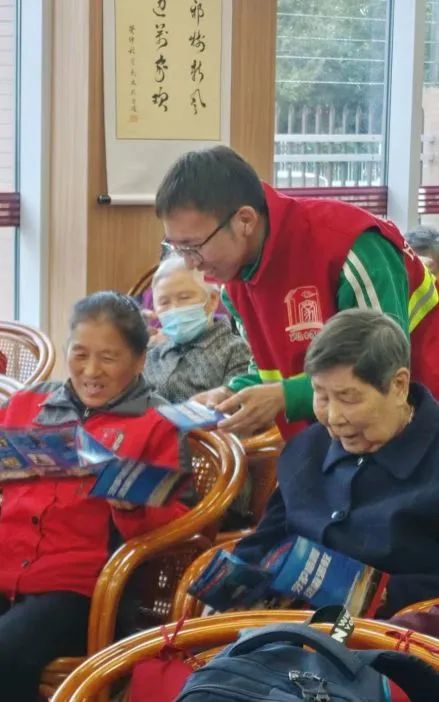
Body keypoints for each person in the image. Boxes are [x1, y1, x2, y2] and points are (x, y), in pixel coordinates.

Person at [155, 146, 439, 439]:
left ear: (245, 221)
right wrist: (231, 394)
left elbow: (382, 367)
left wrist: (284, 397)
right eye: (176, 248)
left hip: (416, 424)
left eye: (193, 246)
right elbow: (270, 371)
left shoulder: (349, 246)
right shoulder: (235, 279)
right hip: (336, 433)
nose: (190, 263)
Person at [0, 291, 191, 702]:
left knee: (5, 653)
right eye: (80, 354)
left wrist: (133, 504)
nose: (90, 371)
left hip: (82, 591)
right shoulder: (26, 405)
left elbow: (184, 523)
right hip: (7, 566)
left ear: (139, 361)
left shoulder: (158, 423)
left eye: (108, 358)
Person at [208, 310, 439, 618]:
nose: (333, 417)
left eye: (348, 398)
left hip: (391, 635)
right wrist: (232, 586)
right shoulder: (307, 448)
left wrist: (369, 594)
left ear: (398, 386)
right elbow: (267, 539)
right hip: (283, 627)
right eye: (322, 396)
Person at [144, 254, 251, 402]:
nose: (174, 308)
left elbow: (235, 406)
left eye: (184, 298)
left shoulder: (235, 349)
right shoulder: (151, 354)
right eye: (164, 302)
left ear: (212, 300)